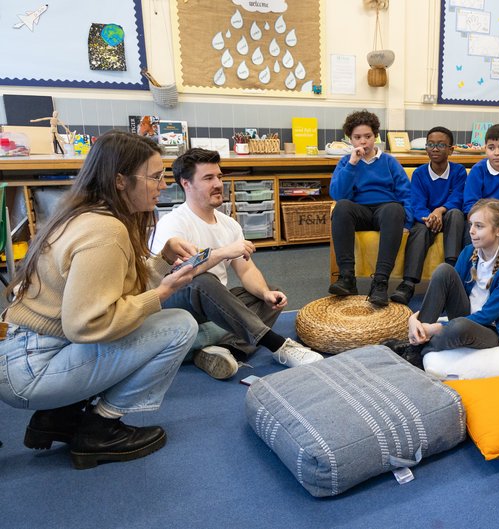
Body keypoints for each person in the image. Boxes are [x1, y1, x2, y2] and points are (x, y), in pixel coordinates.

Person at [0, 131, 199, 469]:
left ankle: (58, 417)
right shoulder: (106, 231)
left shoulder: (83, 215)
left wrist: (162, 261)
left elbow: (106, 291)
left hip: (23, 354)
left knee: (143, 320)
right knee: (179, 325)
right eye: (154, 176)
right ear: (120, 181)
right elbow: (87, 323)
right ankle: (100, 429)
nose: (163, 184)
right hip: (32, 371)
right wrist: (161, 294)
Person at [150, 148, 322, 379]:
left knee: (270, 294)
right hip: (177, 305)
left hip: (213, 306)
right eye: (208, 178)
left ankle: (226, 352)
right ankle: (277, 345)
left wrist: (264, 293)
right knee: (201, 280)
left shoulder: (228, 224)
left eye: (219, 177)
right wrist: (222, 253)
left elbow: (246, 269)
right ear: (186, 184)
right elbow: (179, 277)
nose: (218, 184)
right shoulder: (173, 223)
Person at [388, 199, 499, 368]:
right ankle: (415, 343)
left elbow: (488, 315)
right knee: (444, 270)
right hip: (465, 313)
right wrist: (414, 318)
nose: (472, 231)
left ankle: (417, 349)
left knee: (459, 327)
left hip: (493, 329)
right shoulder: (469, 252)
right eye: (471, 225)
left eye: (479, 226)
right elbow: (449, 293)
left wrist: (437, 327)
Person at [328, 109, 412, 306]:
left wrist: (407, 221)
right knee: (341, 207)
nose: (363, 142)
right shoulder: (346, 162)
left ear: (376, 137)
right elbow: (338, 194)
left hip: (386, 211)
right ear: (350, 139)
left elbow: (405, 193)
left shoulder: (390, 162)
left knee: (394, 208)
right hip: (360, 212)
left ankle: (380, 282)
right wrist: (352, 164)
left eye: (368, 136)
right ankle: (347, 278)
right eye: (357, 137)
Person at [390, 126, 467, 305]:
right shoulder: (419, 174)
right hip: (426, 220)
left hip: (448, 216)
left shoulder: (458, 171)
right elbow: (416, 203)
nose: (434, 148)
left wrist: (439, 211)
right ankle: (408, 284)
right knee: (419, 231)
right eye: (430, 144)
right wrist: (429, 217)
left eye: (441, 145)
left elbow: (458, 198)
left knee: (456, 214)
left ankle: (452, 272)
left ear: (451, 150)